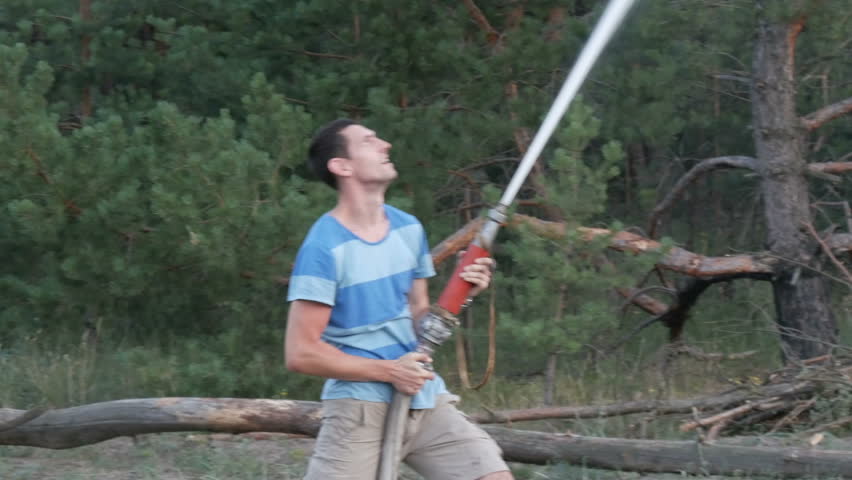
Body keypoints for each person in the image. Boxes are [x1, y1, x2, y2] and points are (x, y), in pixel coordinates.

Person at [285, 118, 513, 480]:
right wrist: (390, 371)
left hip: (424, 400)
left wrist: (463, 292)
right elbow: (300, 352)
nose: (386, 144)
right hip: (360, 408)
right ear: (341, 166)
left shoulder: (408, 228)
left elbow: (419, 315)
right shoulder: (324, 247)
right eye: (369, 141)